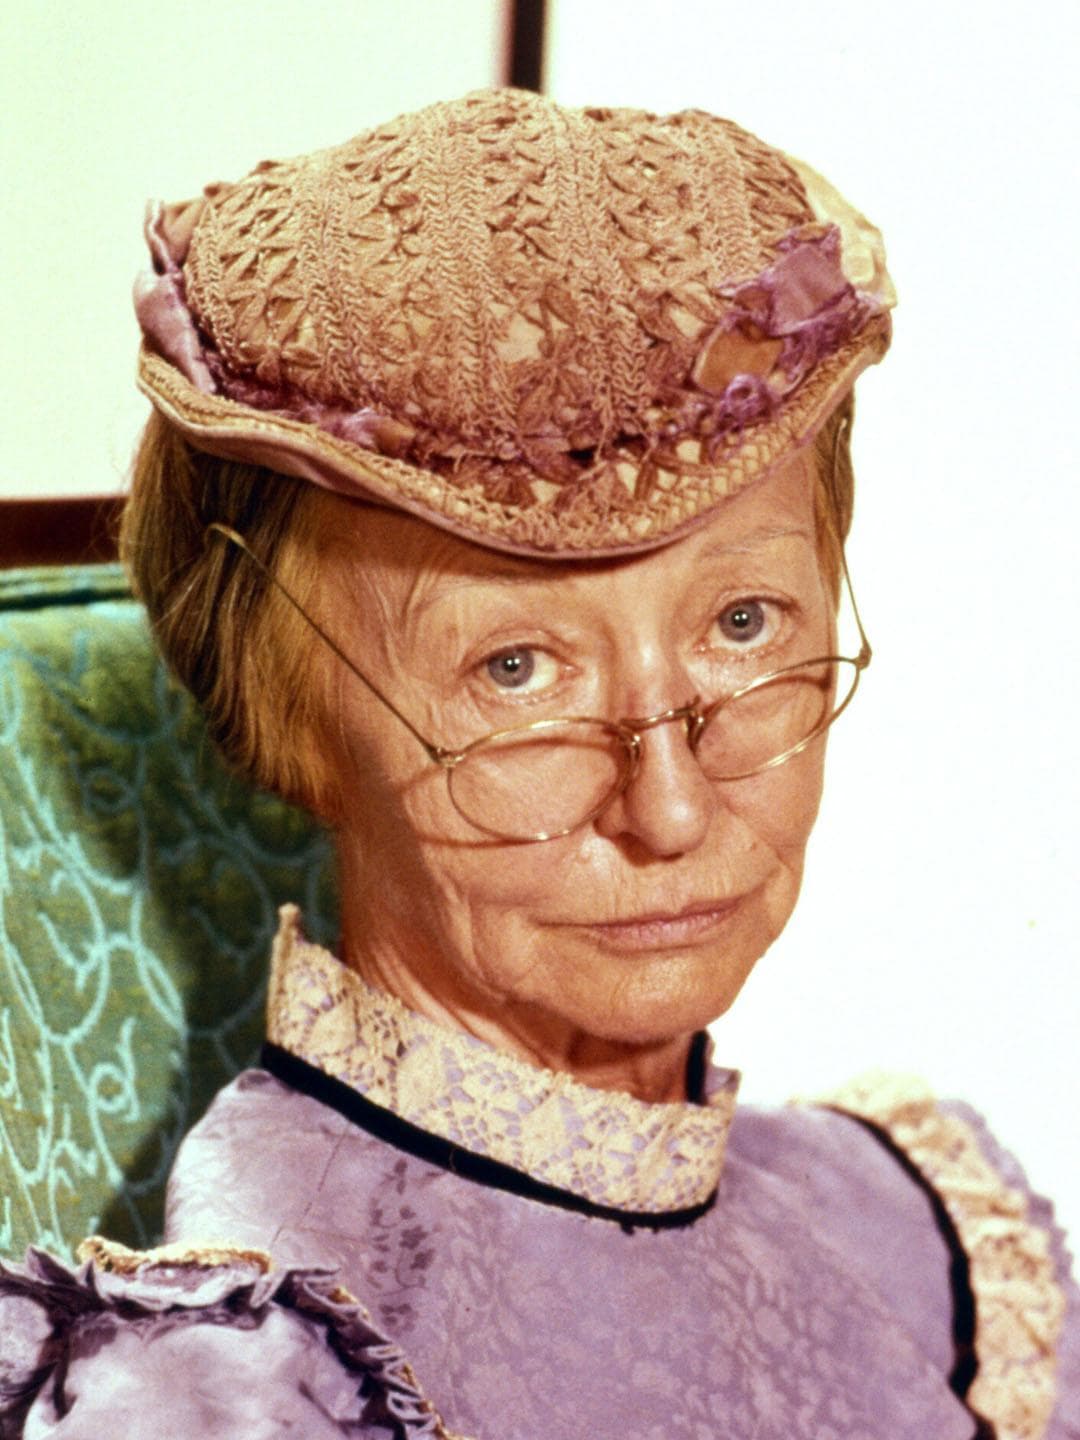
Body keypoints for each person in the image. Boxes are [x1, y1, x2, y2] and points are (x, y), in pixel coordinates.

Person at [0, 88, 1076, 1439]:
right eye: (515, 669)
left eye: (744, 624)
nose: (670, 810)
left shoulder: (923, 1238)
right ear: (288, 718)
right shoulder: (265, 1387)